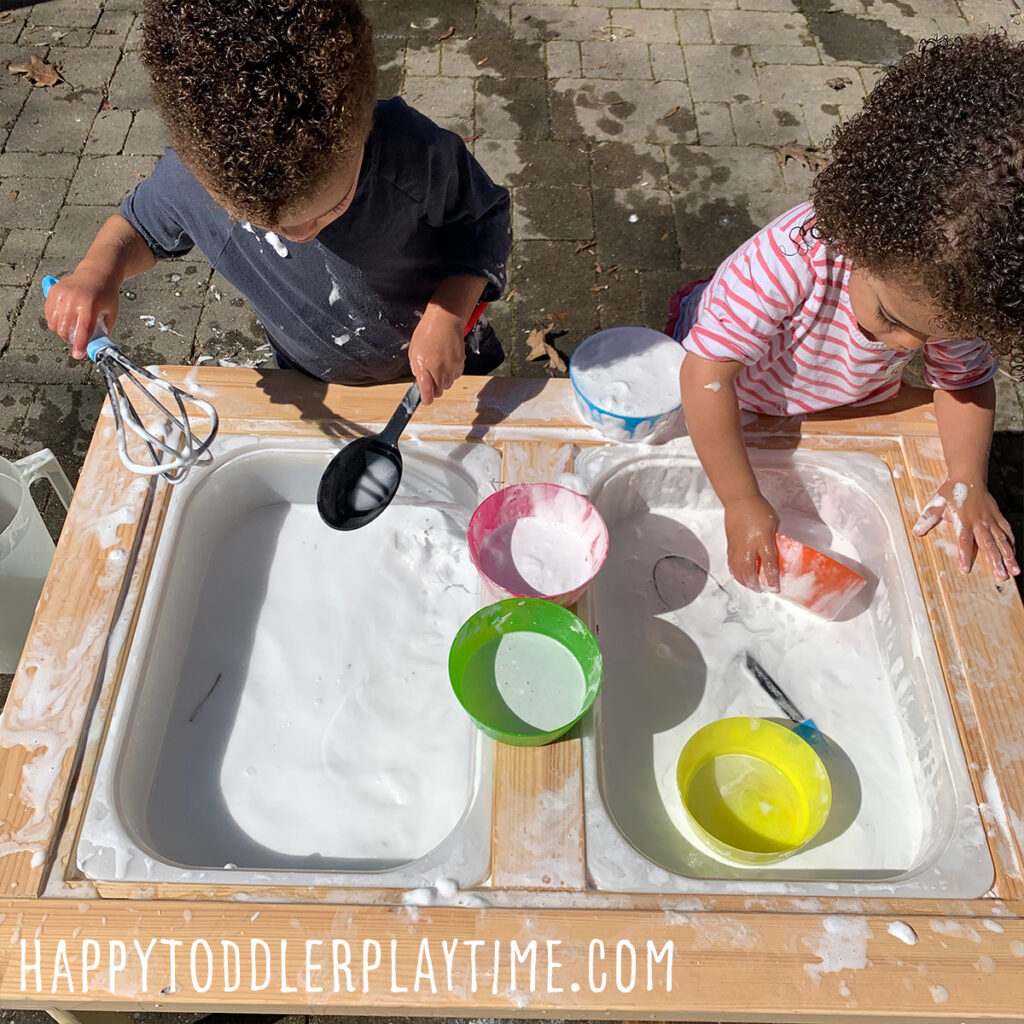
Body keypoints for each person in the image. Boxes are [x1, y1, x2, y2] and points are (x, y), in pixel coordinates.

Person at [667, 33, 1022, 589]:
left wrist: (966, 478)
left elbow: (967, 384)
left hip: (836, 397)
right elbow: (705, 376)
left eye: (930, 339)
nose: (908, 349)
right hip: (740, 393)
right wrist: (740, 498)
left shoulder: (960, 289)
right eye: (894, 320)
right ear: (860, 237)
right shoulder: (785, 262)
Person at [44, 0, 511, 406]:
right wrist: (95, 273)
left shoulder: (412, 152)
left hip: (447, 364)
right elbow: (138, 228)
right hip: (311, 378)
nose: (303, 235)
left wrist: (448, 312)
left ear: (363, 127)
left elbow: (486, 219)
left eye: (328, 209)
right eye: (261, 224)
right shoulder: (194, 179)